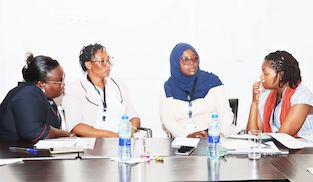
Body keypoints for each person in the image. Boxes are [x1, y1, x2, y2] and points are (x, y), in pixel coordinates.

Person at [62, 43, 140, 137]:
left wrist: (130, 131)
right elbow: (76, 127)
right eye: (102, 61)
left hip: (122, 142)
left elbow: (134, 117)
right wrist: (113, 136)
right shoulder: (75, 89)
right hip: (91, 145)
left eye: (108, 60)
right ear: (89, 64)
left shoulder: (118, 85)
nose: (108, 65)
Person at [160, 43, 234, 138]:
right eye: (186, 60)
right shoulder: (168, 87)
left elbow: (226, 113)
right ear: (175, 62)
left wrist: (218, 134)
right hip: (183, 139)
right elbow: (168, 121)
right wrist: (187, 136)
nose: (192, 63)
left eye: (195, 58)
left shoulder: (212, 81)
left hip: (212, 136)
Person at [0, 53, 70, 142]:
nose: (63, 85)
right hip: (14, 154)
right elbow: (34, 133)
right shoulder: (28, 94)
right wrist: (64, 134)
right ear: (41, 84)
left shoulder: (43, 97)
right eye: (60, 81)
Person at [246, 51, 313, 137]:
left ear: (281, 75)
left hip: (307, 147)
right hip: (281, 148)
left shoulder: (302, 96)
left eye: (265, 74)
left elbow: (283, 136)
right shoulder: (267, 94)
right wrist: (254, 102)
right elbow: (252, 134)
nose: (261, 77)